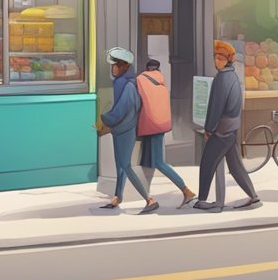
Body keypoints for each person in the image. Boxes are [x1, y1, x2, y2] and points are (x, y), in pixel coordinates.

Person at [195, 41, 261, 212]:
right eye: (215, 58)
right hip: (231, 128)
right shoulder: (233, 76)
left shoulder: (222, 78)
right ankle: (253, 195)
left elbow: (216, 107)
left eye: (220, 58)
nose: (216, 61)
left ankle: (204, 200)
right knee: (235, 165)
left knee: (208, 162)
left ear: (228, 59)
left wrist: (209, 128)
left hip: (221, 130)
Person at [95, 48, 156, 213]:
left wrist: (104, 118)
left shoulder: (127, 85)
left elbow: (121, 110)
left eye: (115, 65)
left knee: (125, 165)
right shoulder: (123, 83)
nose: (112, 68)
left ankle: (149, 199)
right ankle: (117, 197)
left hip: (125, 130)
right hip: (121, 129)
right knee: (120, 166)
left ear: (123, 66)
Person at [136, 59, 194, 207]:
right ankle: (147, 198)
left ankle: (186, 190)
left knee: (158, 163)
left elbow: (137, 103)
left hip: (148, 125)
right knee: (148, 162)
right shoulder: (161, 81)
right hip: (161, 124)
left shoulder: (140, 80)